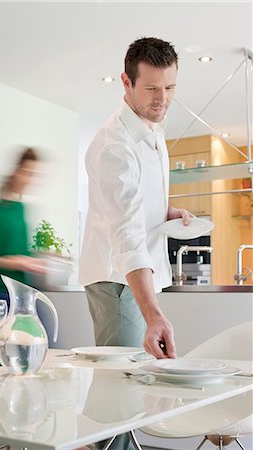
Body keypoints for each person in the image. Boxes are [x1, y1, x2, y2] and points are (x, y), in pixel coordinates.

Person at [80, 36, 194, 360]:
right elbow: (127, 234)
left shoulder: (152, 129)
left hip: (137, 280)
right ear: (126, 82)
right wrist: (154, 315)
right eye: (152, 88)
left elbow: (135, 202)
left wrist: (164, 212)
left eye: (170, 88)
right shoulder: (114, 146)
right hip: (118, 280)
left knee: (135, 387)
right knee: (120, 388)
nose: (163, 99)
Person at [0, 147, 45, 305]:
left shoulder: (21, 209)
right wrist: (19, 263)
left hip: (22, 293)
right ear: (15, 172)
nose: (29, 179)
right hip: (2, 295)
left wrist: (36, 260)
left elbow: (19, 251)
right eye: (27, 172)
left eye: (33, 174)